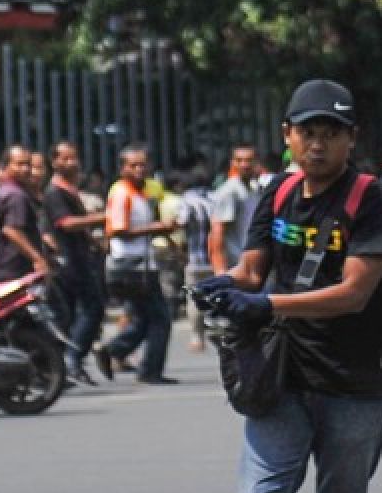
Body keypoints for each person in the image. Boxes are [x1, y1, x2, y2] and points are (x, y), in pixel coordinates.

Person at [196, 79, 382, 493]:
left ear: (350, 139)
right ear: (287, 136)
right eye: (307, 130)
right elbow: (253, 267)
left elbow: (355, 293)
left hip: (355, 383)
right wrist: (224, 283)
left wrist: (266, 305)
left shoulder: (375, 200)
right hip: (281, 378)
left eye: (331, 131)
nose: (318, 142)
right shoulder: (276, 192)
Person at [94, 144, 178, 384]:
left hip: (141, 264)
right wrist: (158, 228)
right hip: (130, 266)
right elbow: (117, 229)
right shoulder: (122, 193)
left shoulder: (143, 192)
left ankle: (113, 350)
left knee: (144, 318)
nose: (139, 169)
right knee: (160, 318)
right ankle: (149, 370)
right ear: (122, 168)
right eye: (133, 165)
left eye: (142, 164)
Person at [43, 141, 107, 383]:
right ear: (55, 162)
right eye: (66, 159)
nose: (72, 163)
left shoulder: (69, 190)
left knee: (69, 314)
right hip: (69, 261)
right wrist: (102, 218)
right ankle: (72, 359)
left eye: (74, 158)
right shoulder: (55, 192)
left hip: (78, 256)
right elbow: (66, 223)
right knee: (92, 307)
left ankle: (64, 363)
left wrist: (93, 240)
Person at [0, 145, 48, 282]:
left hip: (3, 266)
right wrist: (37, 258)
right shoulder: (16, 195)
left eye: (28, 164)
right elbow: (12, 230)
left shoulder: (7, 190)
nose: (26, 169)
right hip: (14, 269)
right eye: (19, 164)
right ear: (7, 166)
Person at [177, 164, 216, 352]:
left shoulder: (187, 200)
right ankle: (217, 330)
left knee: (194, 298)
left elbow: (181, 222)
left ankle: (197, 337)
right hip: (215, 258)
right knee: (216, 295)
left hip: (195, 258)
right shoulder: (215, 198)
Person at [209, 144, 260, 274]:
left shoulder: (256, 188)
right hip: (235, 268)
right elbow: (216, 232)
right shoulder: (229, 191)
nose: (244, 165)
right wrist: (220, 272)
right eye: (239, 160)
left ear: (256, 162)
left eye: (249, 160)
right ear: (232, 163)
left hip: (252, 266)